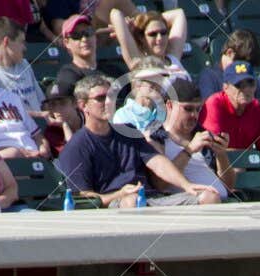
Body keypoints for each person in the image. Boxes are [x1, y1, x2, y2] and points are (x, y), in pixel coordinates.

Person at [56, 72, 217, 206]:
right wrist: (119, 193)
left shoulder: (129, 130)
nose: (108, 102)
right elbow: (85, 199)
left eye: (111, 96)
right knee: (132, 201)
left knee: (209, 197)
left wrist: (186, 185)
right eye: (100, 98)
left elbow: (158, 162)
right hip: (113, 205)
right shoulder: (76, 147)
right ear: (83, 105)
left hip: (149, 198)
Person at [151, 79, 229, 201]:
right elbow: (160, 183)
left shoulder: (202, 134)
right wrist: (189, 150)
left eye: (198, 109)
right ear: (170, 105)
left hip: (222, 202)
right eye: (188, 109)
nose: (194, 115)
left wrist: (221, 155)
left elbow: (229, 186)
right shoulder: (155, 137)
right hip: (185, 206)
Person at [202, 61, 260, 157]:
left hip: (247, 168)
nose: (246, 90)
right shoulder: (215, 103)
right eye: (239, 85)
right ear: (225, 87)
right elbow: (216, 149)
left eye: (251, 84)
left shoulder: (255, 107)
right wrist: (253, 157)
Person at [0, 16, 46, 112]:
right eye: (21, 42)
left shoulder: (24, 65)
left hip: (41, 124)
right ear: (6, 42)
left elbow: (42, 102)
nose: (24, 48)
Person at [110, 7, 188, 77]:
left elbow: (179, 13)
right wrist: (138, 22)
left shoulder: (173, 57)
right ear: (141, 37)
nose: (159, 38)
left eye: (163, 32)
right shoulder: (138, 62)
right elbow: (115, 14)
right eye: (153, 34)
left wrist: (153, 19)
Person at [111, 56, 169, 139]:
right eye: (151, 80)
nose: (157, 84)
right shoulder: (123, 115)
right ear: (138, 84)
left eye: (160, 80)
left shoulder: (166, 113)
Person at [199, 29, 260, 102]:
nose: (245, 70)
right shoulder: (210, 77)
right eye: (240, 66)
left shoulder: (251, 78)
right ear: (229, 53)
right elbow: (209, 108)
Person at [54, 15, 99, 95]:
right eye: (76, 35)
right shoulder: (68, 75)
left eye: (88, 32)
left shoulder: (112, 69)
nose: (84, 39)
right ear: (66, 43)